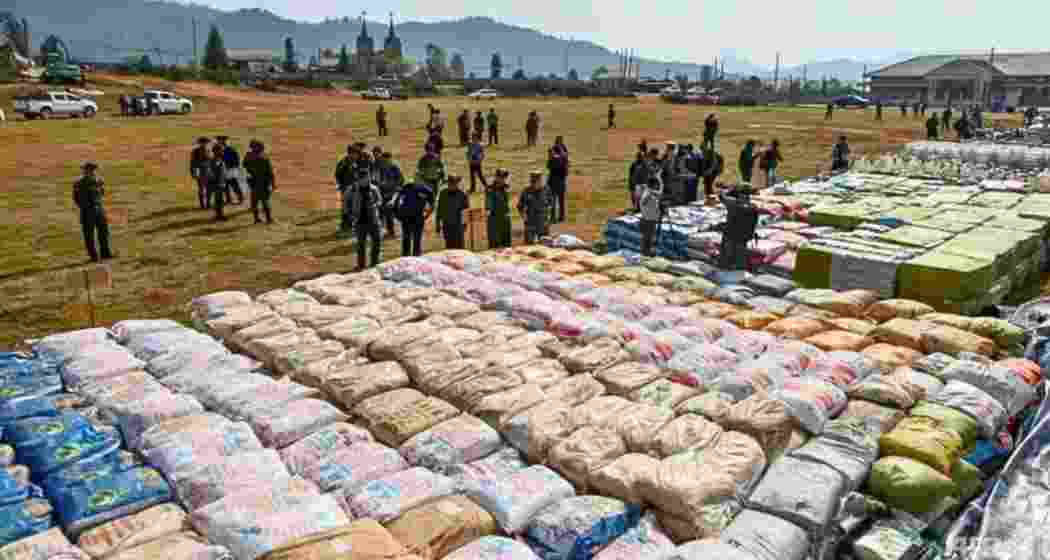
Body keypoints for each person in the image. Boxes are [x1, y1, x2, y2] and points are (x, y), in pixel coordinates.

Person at [73, 162, 113, 262]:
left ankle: (105, 253)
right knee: (89, 235)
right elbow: (77, 198)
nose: (91, 172)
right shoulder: (80, 183)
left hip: (99, 210)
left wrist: (98, 206)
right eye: (89, 170)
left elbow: (101, 193)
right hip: (87, 211)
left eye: (93, 170)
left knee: (104, 232)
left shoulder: (98, 181)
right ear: (84, 171)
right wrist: (85, 207)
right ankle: (93, 256)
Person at [719, 184, 760, 270]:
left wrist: (728, 189)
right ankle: (739, 266)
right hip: (744, 238)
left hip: (731, 236)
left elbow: (721, 197)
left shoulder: (733, 205)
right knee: (740, 256)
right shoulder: (754, 207)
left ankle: (726, 265)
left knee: (727, 256)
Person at [350, 166, 383, 270]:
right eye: (363, 178)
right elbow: (347, 201)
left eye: (367, 178)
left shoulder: (374, 189)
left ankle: (374, 263)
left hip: (373, 219)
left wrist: (375, 204)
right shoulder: (353, 189)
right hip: (360, 220)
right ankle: (361, 265)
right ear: (359, 179)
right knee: (361, 244)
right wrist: (350, 214)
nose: (366, 180)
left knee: (377, 241)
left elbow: (380, 200)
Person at [394, 174, 435, 257]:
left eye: (420, 178)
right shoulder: (406, 187)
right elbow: (396, 199)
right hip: (406, 217)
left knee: (417, 240)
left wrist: (427, 215)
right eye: (417, 178)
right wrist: (397, 214)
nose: (418, 180)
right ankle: (406, 257)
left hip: (418, 217)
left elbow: (432, 204)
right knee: (406, 239)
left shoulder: (427, 190)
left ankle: (416, 257)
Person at [243, 140, 275, 224]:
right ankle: (268, 219)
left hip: (253, 182)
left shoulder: (248, 155)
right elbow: (270, 173)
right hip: (263, 182)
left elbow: (244, 165)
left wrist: (250, 172)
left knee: (254, 201)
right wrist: (273, 184)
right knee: (265, 202)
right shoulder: (264, 158)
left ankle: (256, 219)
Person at [436, 175, 470, 250]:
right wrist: (437, 224)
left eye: (455, 183)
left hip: (458, 225)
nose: (453, 185)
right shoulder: (443, 194)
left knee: (459, 247)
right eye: (451, 183)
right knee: (449, 247)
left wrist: (465, 223)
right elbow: (439, 209)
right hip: (447, 225)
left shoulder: (462, 194)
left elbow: (465, 210)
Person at [375, 152, 403, 237]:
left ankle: (405, 227)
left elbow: (401, 180)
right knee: (386, 212)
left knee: (397, 213)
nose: (385, 162)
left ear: (390, 159)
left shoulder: (395, 168)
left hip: (393, 193)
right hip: (383, 193)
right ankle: (390, 231)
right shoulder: (381, 168)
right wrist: (380, 185)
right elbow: (377, 180)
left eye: (387, 160)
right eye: (384, 160)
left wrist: (395, 188)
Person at [335, 145, 361, 235]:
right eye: (354, 154)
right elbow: (337, 174)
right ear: (350, 153)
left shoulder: (356, 162)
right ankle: (345, 225)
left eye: (356, 154)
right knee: (346, 208)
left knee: (354, 207)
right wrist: (342, 185)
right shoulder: (344, 162)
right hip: (346, 188)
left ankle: (351, 225)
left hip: (355, 189)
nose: (356, 156)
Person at [518, 171, 549, 244]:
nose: (534, 183)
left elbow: (550, 204)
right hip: (530, 221)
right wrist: (524, 217)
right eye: (533, 181)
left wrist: (548, 218)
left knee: (544, 244)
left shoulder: (546, 190)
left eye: (537, 180)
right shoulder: (526, 191)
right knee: (529, 244)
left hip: (542, 221)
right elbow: (520, 206)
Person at [637, 177, 663, 257]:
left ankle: (646, 253)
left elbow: (659, 193)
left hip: (648, 219)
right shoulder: (647, 193)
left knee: (648, 239)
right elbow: (644, 201)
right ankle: (646, 254)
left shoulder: (649, 191)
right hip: (648, 220)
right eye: (656, 185)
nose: (657, 186)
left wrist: (660, 181)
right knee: (647, 239)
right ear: (653, 185)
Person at [486, 169, 512, 248]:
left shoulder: (506, 188)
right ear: (496, 177)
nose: (503, 179)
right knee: (494, 246)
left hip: (505, 219)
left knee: (507, 245)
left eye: (504, 177)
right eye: (500, 177)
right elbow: (488, 205)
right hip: (495, 220)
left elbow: (507, 202)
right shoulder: (490, 189)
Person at [547, 136, 570, 223]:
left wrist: (554, 156)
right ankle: (559, 216)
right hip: (558, 179)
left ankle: (556, 217)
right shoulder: (561, 150)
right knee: (559, 200)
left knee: (556, 200)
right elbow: (550, 165)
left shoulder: (560, 150)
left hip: (556, 179)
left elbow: (549, 165)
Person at [216, 136, 244, 205]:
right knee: (226, 186)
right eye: (219, 141)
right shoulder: (219, 149)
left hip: (231, 170)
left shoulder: (231, 149)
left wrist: (234, 168)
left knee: (234, 185)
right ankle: (229, 199)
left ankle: (240, 198)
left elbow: (236, 160)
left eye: (222, 141)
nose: (220, 142)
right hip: (223, 170)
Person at [204, 144, 228, 221]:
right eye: (221, 151)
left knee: (219, 200)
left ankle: (219, 215)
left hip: (219, 183)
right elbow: (211, 173)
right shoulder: (215, 161)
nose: (222, 152)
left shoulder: (218, 160)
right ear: (216, 151)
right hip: (217, 184)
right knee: (218, 200)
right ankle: (219, 215)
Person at [190, 137, 211, 210]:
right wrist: (193, 172)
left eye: (206, 143)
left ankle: (208, 204)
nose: (205, 144)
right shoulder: (195, 151)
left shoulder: (208, 150)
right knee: (201, 188)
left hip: (207, 171)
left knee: (208, 188)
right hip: (200, 171)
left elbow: (211, 160)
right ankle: (202, 205)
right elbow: (192, 162)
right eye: (203, 143)